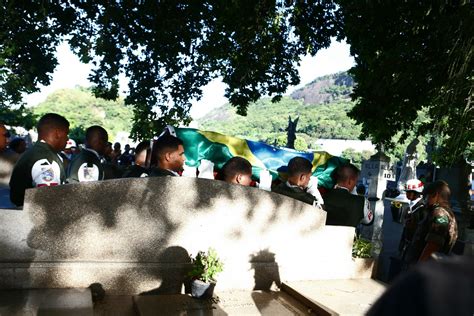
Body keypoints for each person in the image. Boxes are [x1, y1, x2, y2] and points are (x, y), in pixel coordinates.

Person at [9, 113, 69, 206]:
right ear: (58, 133)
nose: (67, 139)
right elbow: (49, 203)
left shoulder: (34, 152)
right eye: (66, 134)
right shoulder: (46, 159)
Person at [408, 180, 458, 263]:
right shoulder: (447, 212)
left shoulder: (440, 213)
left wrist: (419, 267)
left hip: (428, 268)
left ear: (435, 195)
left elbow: (433, 244)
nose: (425, 201)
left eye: (427, 197)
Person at [399, 179, 426, 264]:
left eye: (410, 192)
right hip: (407, 243)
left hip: (415, 246)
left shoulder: (422, 208)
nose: (407, 194)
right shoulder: (410, 206)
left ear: (417, 193)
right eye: (407, 191)